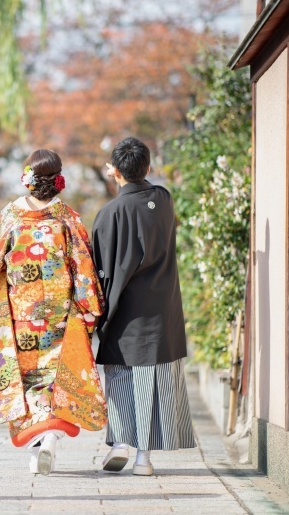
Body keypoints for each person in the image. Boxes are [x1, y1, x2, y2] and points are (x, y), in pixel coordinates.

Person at [0, 149, 107, 476]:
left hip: (21, 312)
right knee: (54, 378)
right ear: (58, 178)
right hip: (59, 313)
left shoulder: (11, 215)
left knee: (26, 379)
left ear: (28, 176)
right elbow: (83, 266)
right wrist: (90, 309)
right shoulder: (67, 217)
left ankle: (38, 446)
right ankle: (50, 439)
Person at [91, 136, 196, 477]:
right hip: (162, 311)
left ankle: (121, 442)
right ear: (148, 167)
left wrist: (96, 314)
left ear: (114, 172)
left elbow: (101, 270)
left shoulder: (110, 213)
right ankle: (143, 460)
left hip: (125, 313)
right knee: (153, 384)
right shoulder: (163, 200)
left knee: (121, 377)